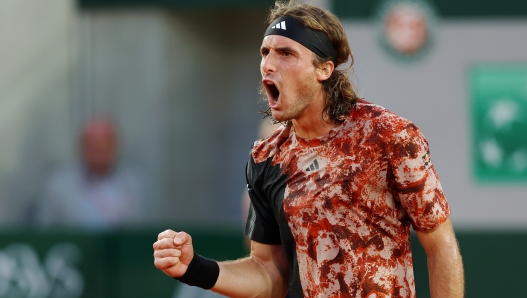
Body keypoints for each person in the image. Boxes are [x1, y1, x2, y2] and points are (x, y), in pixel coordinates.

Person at [153, 1, 464, 297]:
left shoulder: (390, 135)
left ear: (324, 69)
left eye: (286, 53)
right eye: (265, 52)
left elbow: (440, 246)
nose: (268, 64)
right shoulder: (266, 157)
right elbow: (269, 272)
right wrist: (195, 269)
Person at [35, 117, 147, 230]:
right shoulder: (58, 185)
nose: (99, 149)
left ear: (115, 146)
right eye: (93, 144)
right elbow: (46, 230)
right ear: (82, 146)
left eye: (104, 143)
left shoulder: (136, 184)